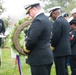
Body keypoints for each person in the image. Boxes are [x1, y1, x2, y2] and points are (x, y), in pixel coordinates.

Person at [24, 2, 53, 75]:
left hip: (39, 58)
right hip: (45, 56)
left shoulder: (38, 21)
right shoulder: (45, 19)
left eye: (29, 12)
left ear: (34, 9)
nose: (29, 15)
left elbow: (32, 40)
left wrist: (26, 49)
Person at [49, 6, 71, 75]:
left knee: (60, 71)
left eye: (51, 15)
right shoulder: (65, 21)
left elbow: (56, 37)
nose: (51, 17)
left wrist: (52, 46)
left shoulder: (57, 22)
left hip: (59, 51)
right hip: (66, 49)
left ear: (54, 13)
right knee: (65, 70)